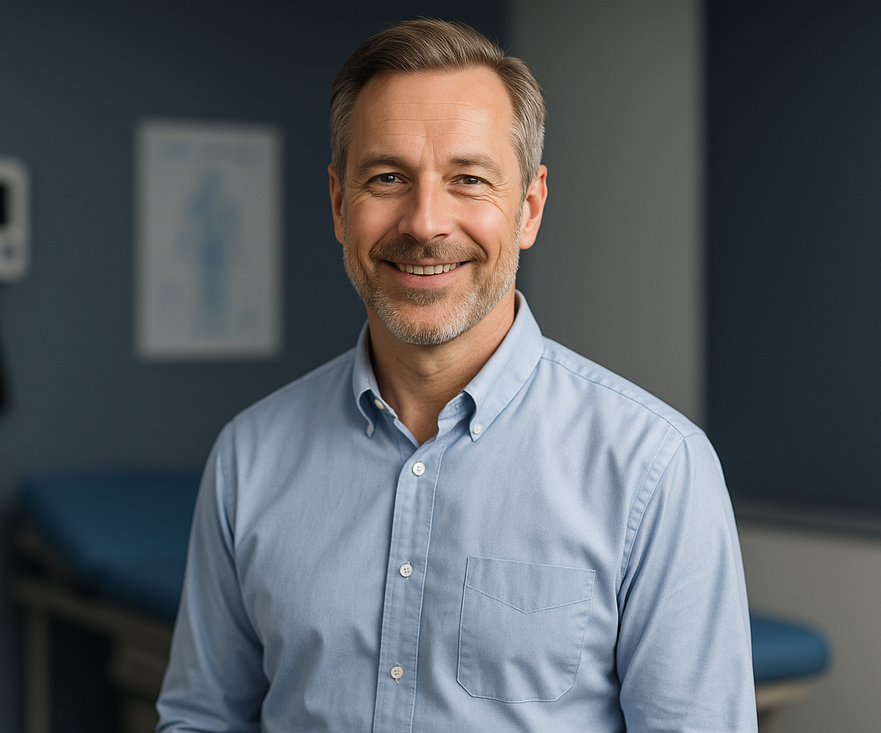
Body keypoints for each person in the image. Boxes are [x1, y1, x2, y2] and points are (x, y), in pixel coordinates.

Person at [157, 18, 757, 733]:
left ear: (528, 207)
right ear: (338, 203)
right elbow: (201, 719)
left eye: (468, 179)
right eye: (387, 178)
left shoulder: (656, 470)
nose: (425, 222)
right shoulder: (247, 458)